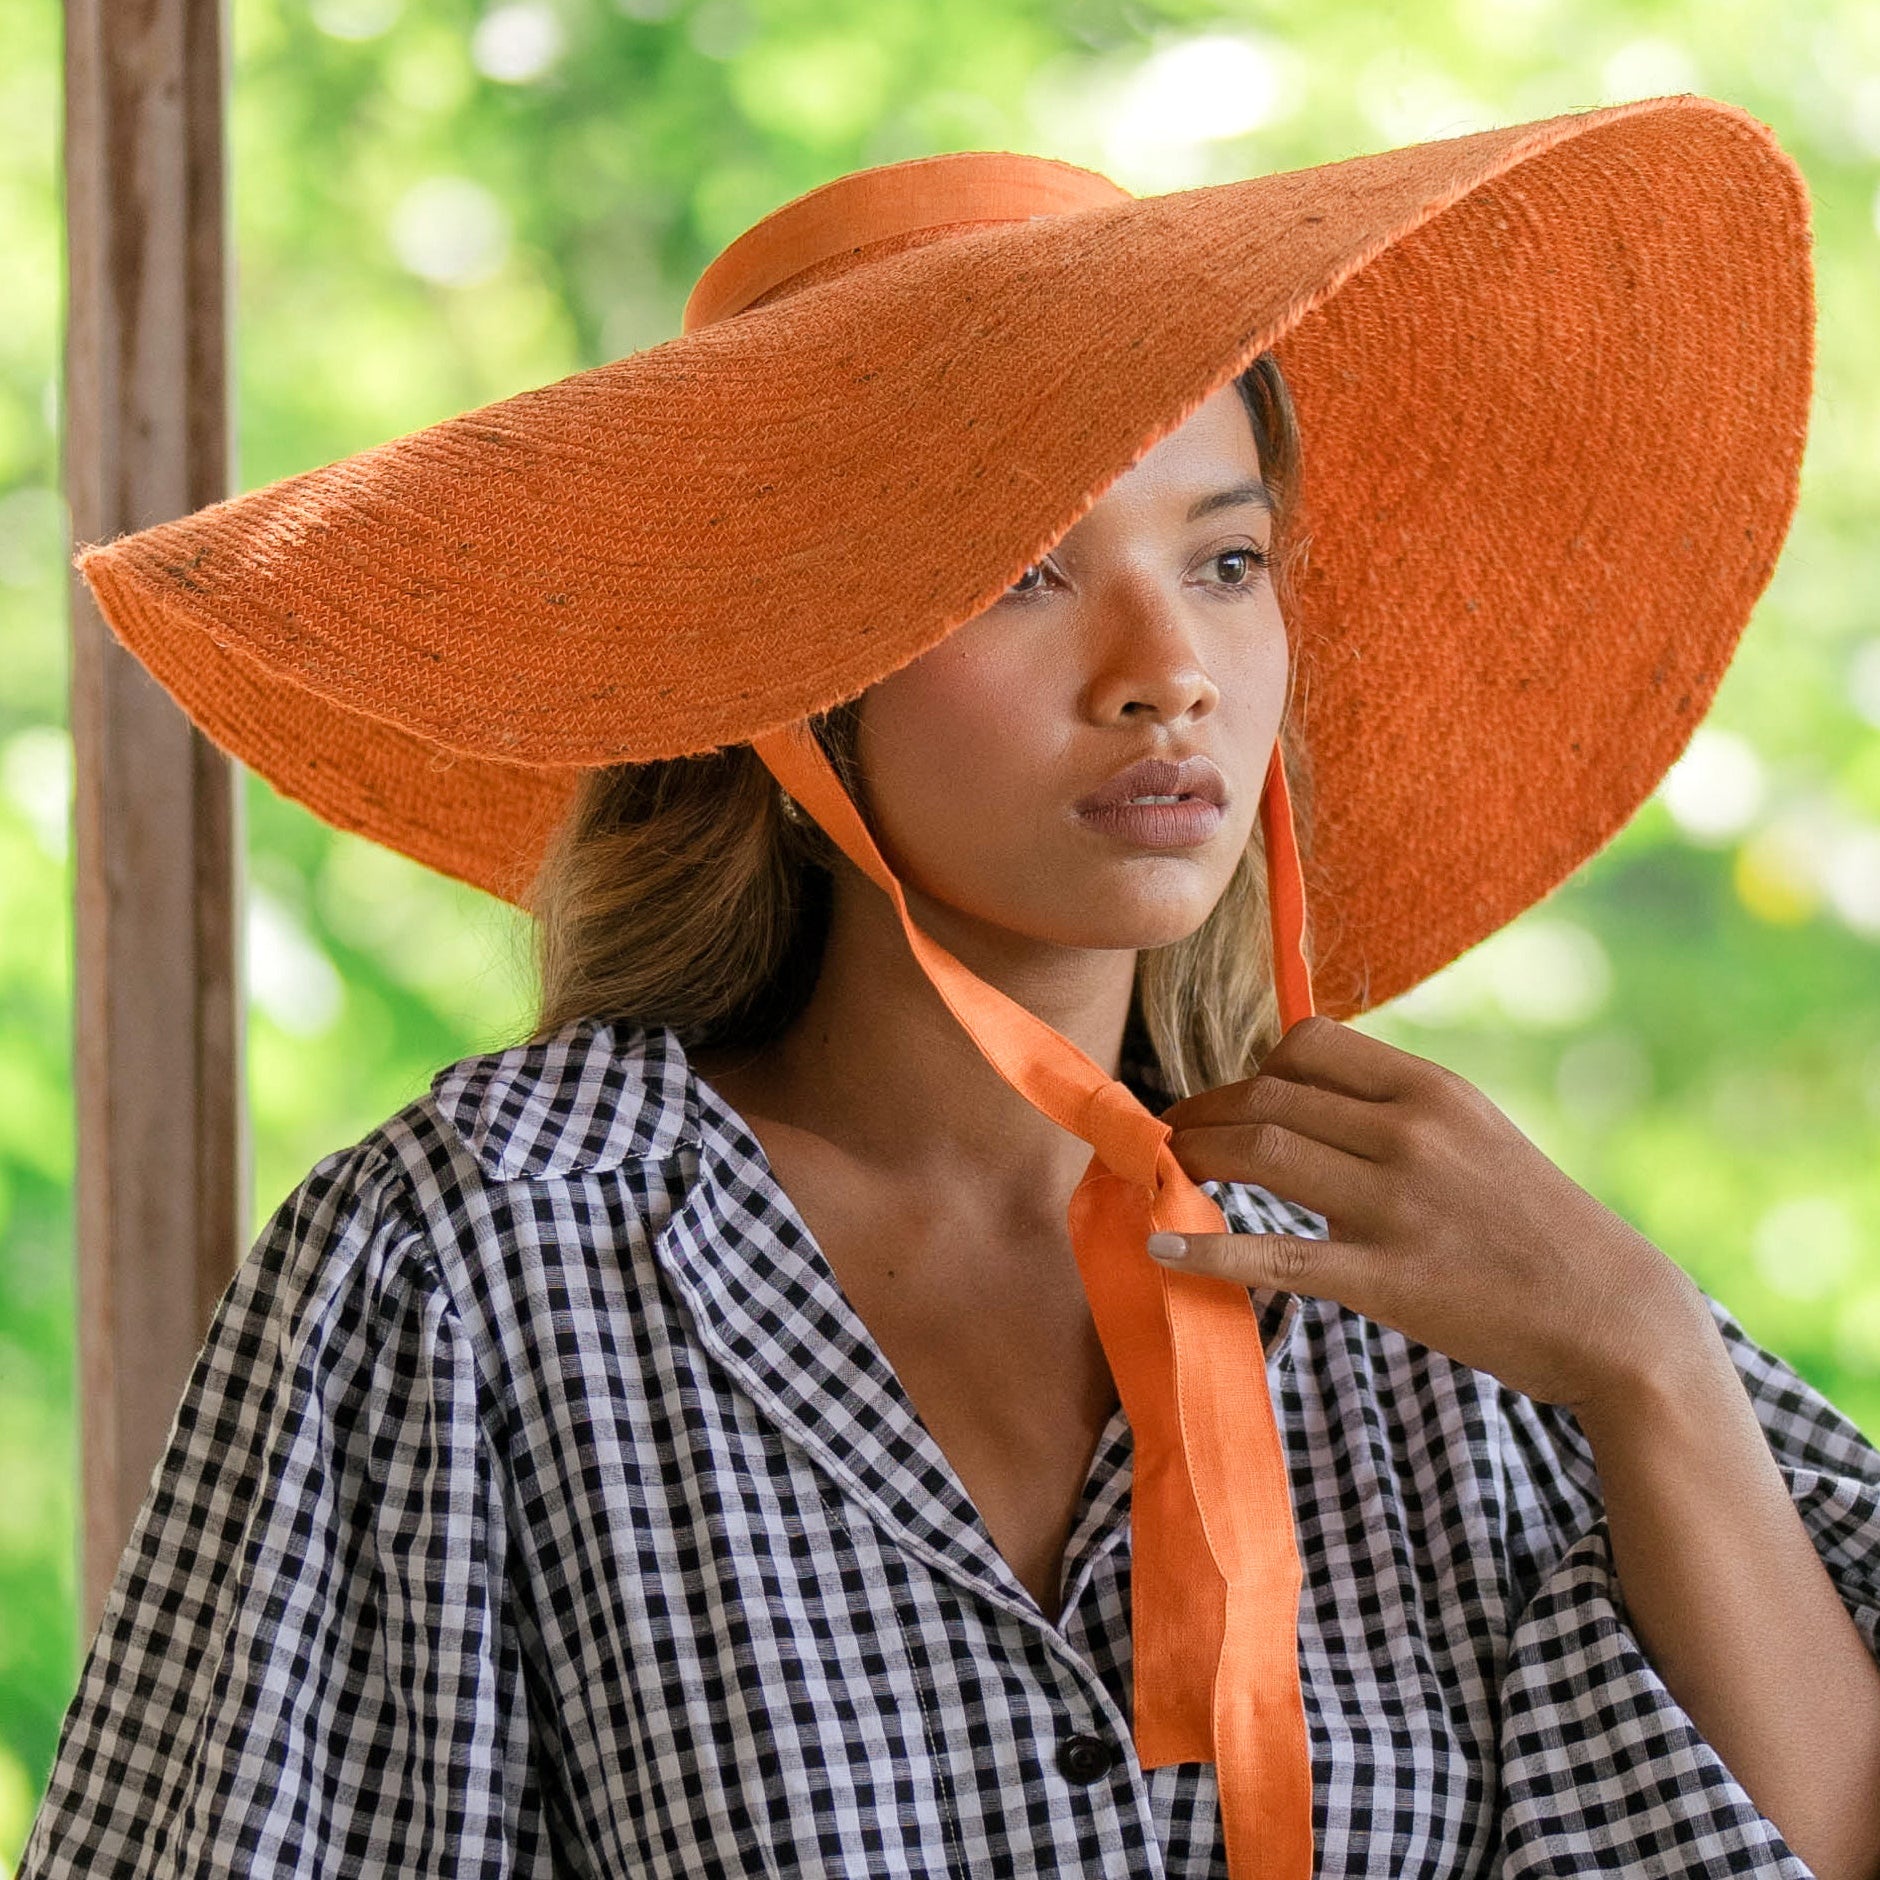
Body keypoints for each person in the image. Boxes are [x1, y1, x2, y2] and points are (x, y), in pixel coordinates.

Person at [21, 106, 1880, 1880]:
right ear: (796, 680)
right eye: (1022, 575)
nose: (1173, 673)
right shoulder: (477, 1261)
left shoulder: (1457, 1271)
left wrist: (1645, 1360)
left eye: (1227, 561)